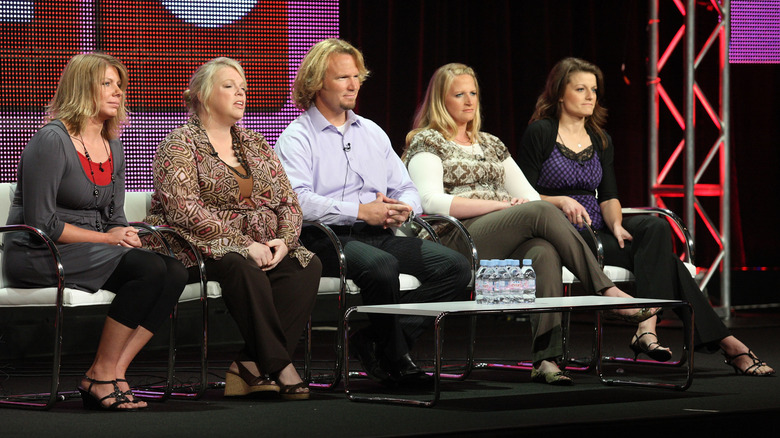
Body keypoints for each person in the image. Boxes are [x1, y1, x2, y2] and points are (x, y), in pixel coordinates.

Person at [403, 63, 661, 385]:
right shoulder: (428, 141)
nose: (469, 101)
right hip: (453, 240)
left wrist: (544, 203)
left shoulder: (491, 144)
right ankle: (606, 291)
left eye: (473, 93)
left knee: (543, 251)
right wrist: (499, 205)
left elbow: (527, 195)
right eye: (459, 94)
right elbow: (430, 202)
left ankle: (546, 360)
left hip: (500, 235)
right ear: (441, 101)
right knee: (537, 213)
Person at [518, 56, 774, 376]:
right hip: (562, 231)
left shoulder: (599, 138)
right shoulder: (541, 132)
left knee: (653, 226)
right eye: (580, 89)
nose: (589, 96)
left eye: (594, 90)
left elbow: (609, 195)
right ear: (559, 93)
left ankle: (647, 326)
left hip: (599, 230)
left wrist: (615, 225)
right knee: (671, 265)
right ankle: (727, 343)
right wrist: (560, 202)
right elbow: (523, 194)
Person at [275, 39, 472, 387]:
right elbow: (299, 203)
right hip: (325, 239)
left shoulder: (371, 132)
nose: (354, 86)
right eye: (343, 78)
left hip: (380, 234)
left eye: (357, 78)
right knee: (382, 267)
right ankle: (397, 359)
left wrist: (404, 208)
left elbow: (407, 188)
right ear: (317, 82)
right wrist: (360, 211)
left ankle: (377, 340)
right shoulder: (297, 137)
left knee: (455, 266)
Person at [3, 53, 188, 410]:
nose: (118, 92)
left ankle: (113, 371)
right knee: (148, 270)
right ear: (81, 89)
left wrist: (124, 233)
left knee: (173, 271)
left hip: (92, 249)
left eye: (119, 85)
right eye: (107, 84)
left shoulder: (113, 145)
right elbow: (43, 224)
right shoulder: (51, 141)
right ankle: (101, 373)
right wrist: (109, 238)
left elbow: (115, 216)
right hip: (40, 252)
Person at [145, 57, 322, 400]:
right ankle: (282, 367)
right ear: (201, 94)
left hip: (260, 241)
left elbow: (287, 202)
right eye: (229, 87)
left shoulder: (256, 144)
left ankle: (249, 365)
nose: (240, 94)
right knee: (244, 268)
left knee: (306, 264)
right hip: (195, 243)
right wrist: (241, 244)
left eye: (243, 88)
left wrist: (284, 242)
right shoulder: (180, 144)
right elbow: (183, 210)